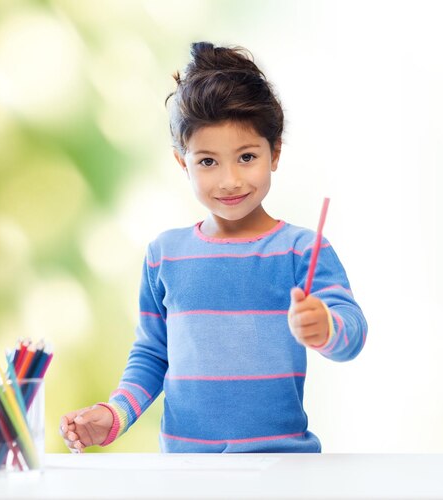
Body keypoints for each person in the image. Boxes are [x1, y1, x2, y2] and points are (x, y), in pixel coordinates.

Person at [60, 41, 367, 453]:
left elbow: (352, 333)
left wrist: (326, 327)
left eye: (246, 157)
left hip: (283, 469)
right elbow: (153, 354)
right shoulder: (164, 255)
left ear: (274, 153)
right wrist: (116, 414)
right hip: (187, 471)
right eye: (207, 161)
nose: (229, 180)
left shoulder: (301, 250)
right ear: (181, 162)